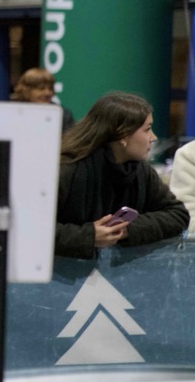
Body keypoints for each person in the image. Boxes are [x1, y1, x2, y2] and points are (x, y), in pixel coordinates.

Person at [54, 92, 187, 258]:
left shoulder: (141, 170)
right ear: (123, 135)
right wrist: (88, 236)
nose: (153, 138)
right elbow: (32, 229)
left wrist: (125, 229)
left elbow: (178, 215)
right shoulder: (65, 171)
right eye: (147, 129)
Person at [13, 66, 73, 132]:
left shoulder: (63, 115)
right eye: (41, 88)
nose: (48, 93)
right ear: (27, 90)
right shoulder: (12, 112)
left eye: (50, 88)